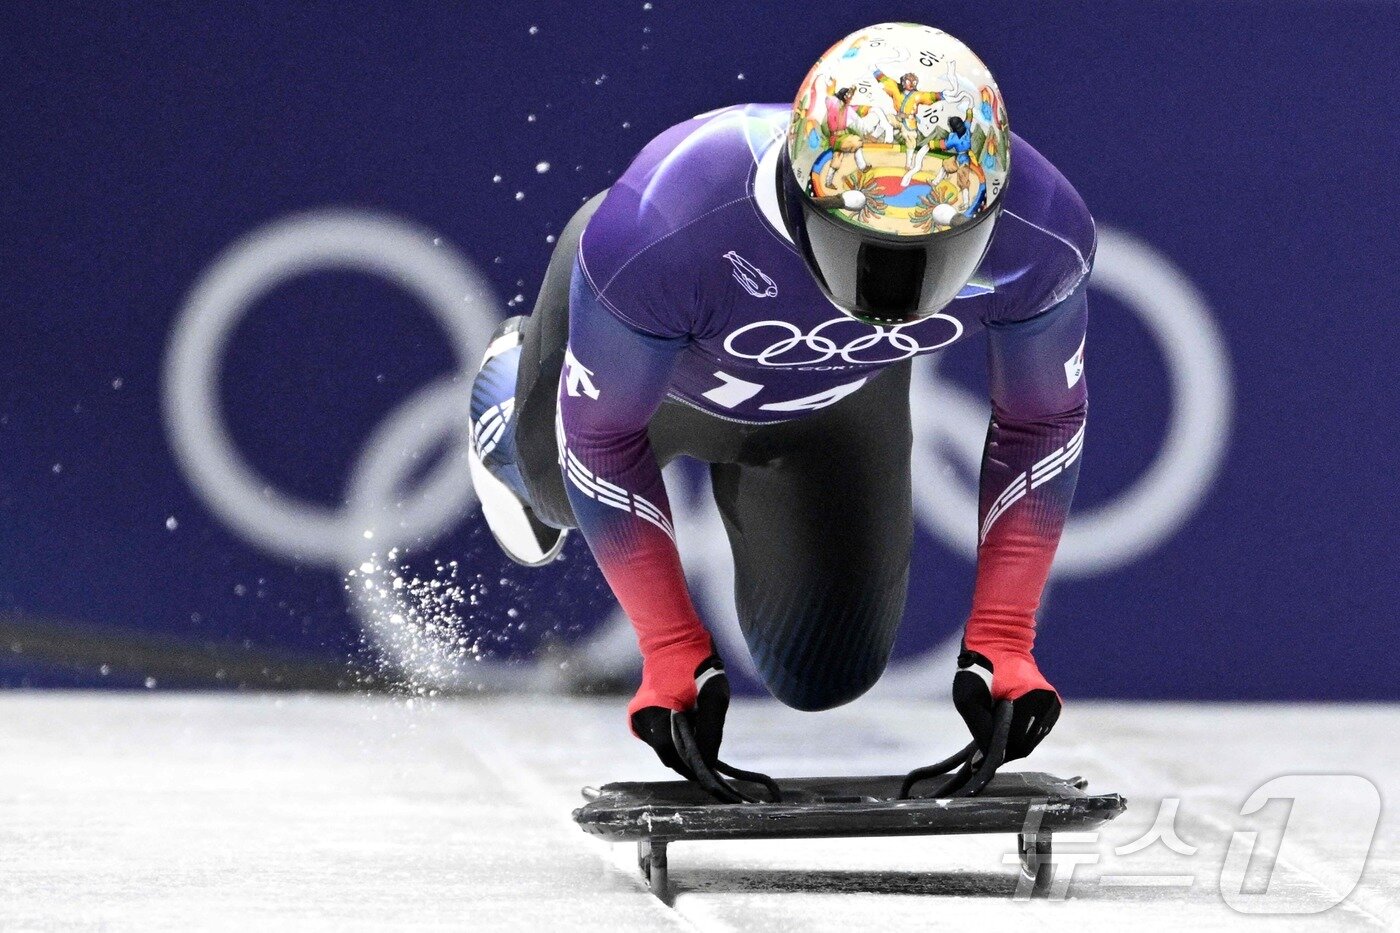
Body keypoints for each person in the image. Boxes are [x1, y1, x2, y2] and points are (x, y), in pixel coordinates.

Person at [468, 22, 1094, 778]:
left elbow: (1043, 418)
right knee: (552, 487)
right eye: (863, 250)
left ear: (991, 211)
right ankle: (513, 386)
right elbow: (601, 439)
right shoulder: (663, 222)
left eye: (935, 256)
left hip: (831, 404)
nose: (893, 299)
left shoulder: (1043, 235)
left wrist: (1003, 636)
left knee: (824, 673)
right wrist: (671, 649)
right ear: (799, 200)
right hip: (654, 367)